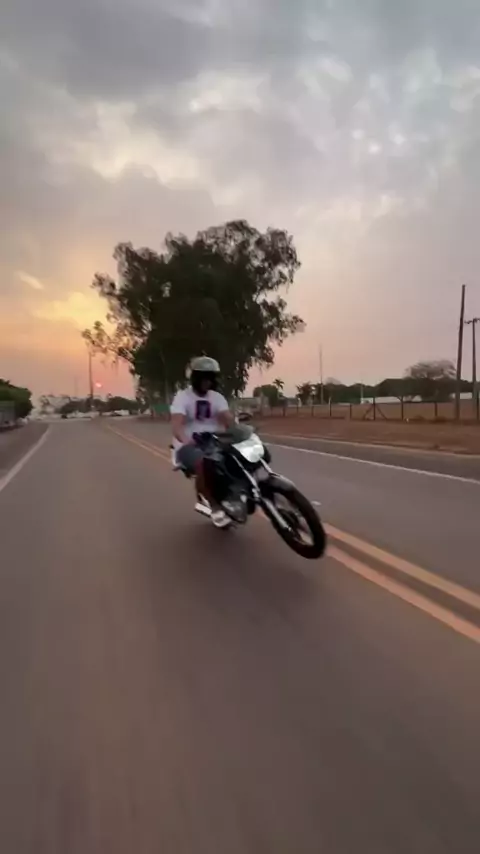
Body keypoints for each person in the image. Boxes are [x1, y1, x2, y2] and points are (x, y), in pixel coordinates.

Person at [170, 356, 234, 528]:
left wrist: (238, 429)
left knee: (241, 458)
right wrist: (186, 440)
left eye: (210, 377)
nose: (207, 381)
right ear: (194, 378)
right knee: (203, 463)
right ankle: (214, 505)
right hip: (188, 445)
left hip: (215, 441)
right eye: (203, 377)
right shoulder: (182, 397)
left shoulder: (217, 398)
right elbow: (177, 426)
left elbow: (227, 418)